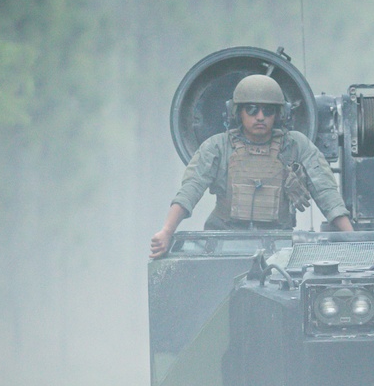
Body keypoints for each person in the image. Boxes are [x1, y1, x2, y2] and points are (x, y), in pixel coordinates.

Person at [150, 73, 352, 257]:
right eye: (252, 109)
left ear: (280, 114)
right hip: (224, 243)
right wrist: (167, 232)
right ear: (237, 112)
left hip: (279, 246)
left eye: (268, 110)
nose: (260, 116)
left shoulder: (295, 146)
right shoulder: (218, 146)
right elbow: (190, 190)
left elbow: (326, 193)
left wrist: (352, 239)